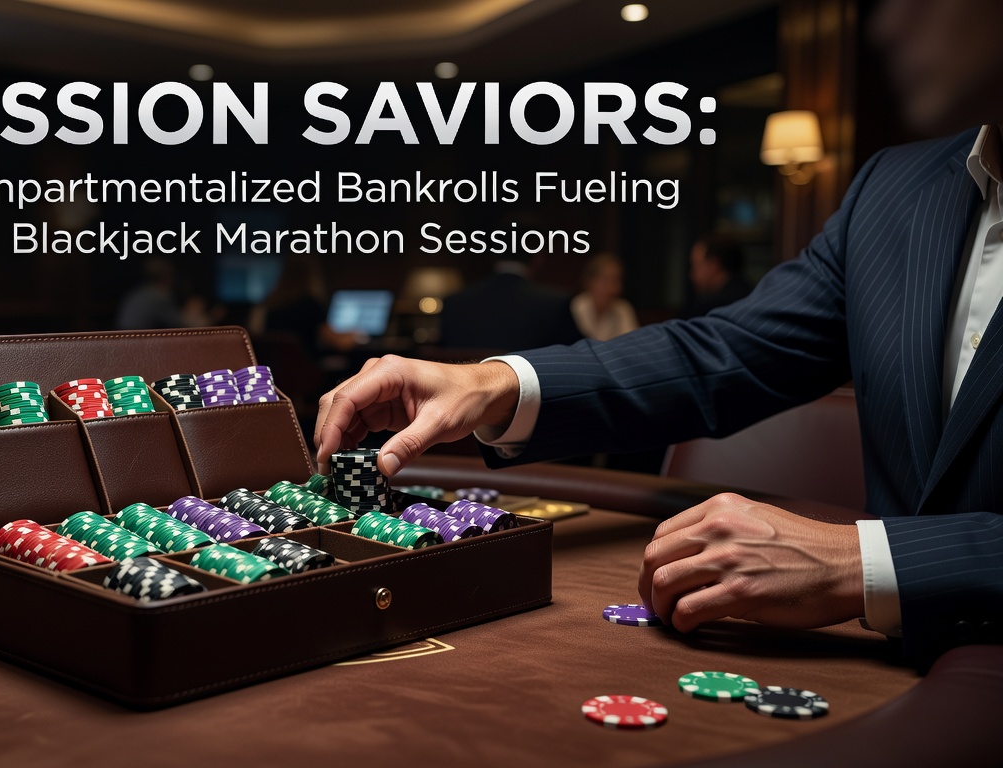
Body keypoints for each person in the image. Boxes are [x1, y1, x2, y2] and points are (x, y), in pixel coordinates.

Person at [312, 0, 1003, 664]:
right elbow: (722, 354)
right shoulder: (894, 186)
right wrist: (492, 384)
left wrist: (875, 562)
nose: (888, 19)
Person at [441, 257, 581, 352]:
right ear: (538, 257)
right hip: (528, 396)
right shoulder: (555, 303)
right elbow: (573, 358)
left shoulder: (453, 304)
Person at [254, 254, 356, 354]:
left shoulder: (269, 305)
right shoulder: (310, 305)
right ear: (313, 275)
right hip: (306, 366)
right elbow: (338, 343)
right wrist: (355, 336)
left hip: (277, 367)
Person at [116, 257, 212, 330]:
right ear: (168, 277)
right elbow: (193, 326)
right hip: (138, 348)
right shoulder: (158, 298)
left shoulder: (137, 293)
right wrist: (199, 312)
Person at [681, 233, 753, 319]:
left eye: (695, 266)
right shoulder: (754, 296)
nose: (691, 275)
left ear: (713, 265)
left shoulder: (708, 308)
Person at [569, 253, 638, 341]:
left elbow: (631, 344)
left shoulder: (623, 309)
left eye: (615, 281)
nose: (612, 289)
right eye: (605, 281)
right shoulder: (576, 307)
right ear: (590, 281)